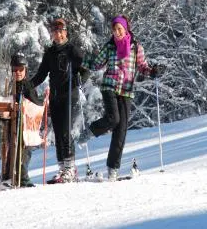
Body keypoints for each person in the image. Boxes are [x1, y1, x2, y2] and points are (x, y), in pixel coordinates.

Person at [81, 14, 161, 181]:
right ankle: (90, 130)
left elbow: (142, 66)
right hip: (110, 86)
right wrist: (80, 61)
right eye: (114, 29)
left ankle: (113, 169)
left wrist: (152, 71)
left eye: (119, 29)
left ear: (125, 29)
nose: (117, 32)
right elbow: (96, 64)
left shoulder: (135, 47)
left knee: (121, 130)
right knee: (113, 118)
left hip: (126, 90)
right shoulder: (110, 46)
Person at [30, 18, 89, 183]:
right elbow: (41, 74)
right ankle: (62, 169)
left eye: (60, 31)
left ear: (65, 32)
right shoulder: (50, 53)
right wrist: (27, 85)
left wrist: (80, 80)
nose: (58, 34)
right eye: (55, 31)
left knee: (65, 132)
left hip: (69, 95)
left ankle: (70, 169)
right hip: (55, 97)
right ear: (52, 34)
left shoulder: (72, 50)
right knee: (58, 132)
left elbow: (85, 69)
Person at [1, 52, 41, 187]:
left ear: (25, 70)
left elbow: (37, 107)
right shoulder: (11, 86)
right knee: (12, 152)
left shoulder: (28, 86)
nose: (18, 72)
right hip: (14, 126)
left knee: (23, 154)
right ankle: (9, 178)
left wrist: (24, 107)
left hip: (26, 129)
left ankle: (23, 179)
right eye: (15, 70)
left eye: (21, 69)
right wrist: (4, 115)